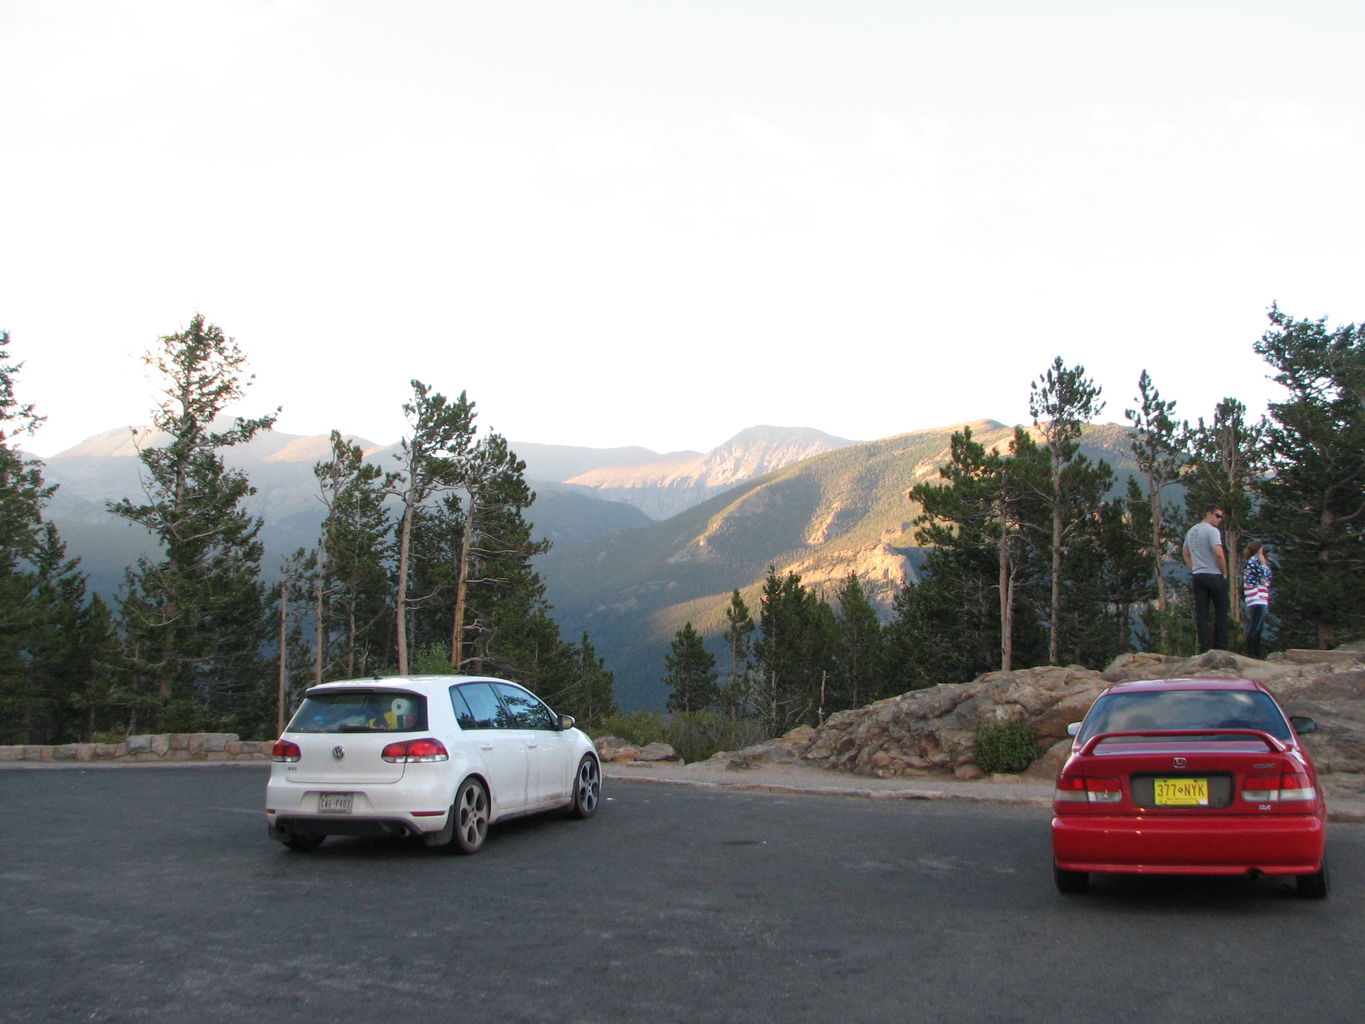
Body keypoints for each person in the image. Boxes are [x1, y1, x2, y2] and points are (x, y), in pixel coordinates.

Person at [1183, 505, 1229, 652]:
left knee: (1202, 613)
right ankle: (1220, 646)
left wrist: (1194, 567)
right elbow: (1218, 553)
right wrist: (1224, 571)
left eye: (1221, 517)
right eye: (1217, 515)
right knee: (1221, 611)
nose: (1219, 519)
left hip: (1198, 575)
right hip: (1213, 574)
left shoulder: (1191, 531)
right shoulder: (1212, 531)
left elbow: (1185, 552)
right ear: (1208, 514)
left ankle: (1205, 647)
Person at [1243, 541, 1273, 659]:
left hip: (1259, 596)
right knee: (1256, 625)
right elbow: (1265, 576)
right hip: (1257, 597)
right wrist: (1264, 564)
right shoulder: (1254, 562)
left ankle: (1255, 651)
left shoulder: (1252, 562)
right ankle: (1252, 651)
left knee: (1258, 625)